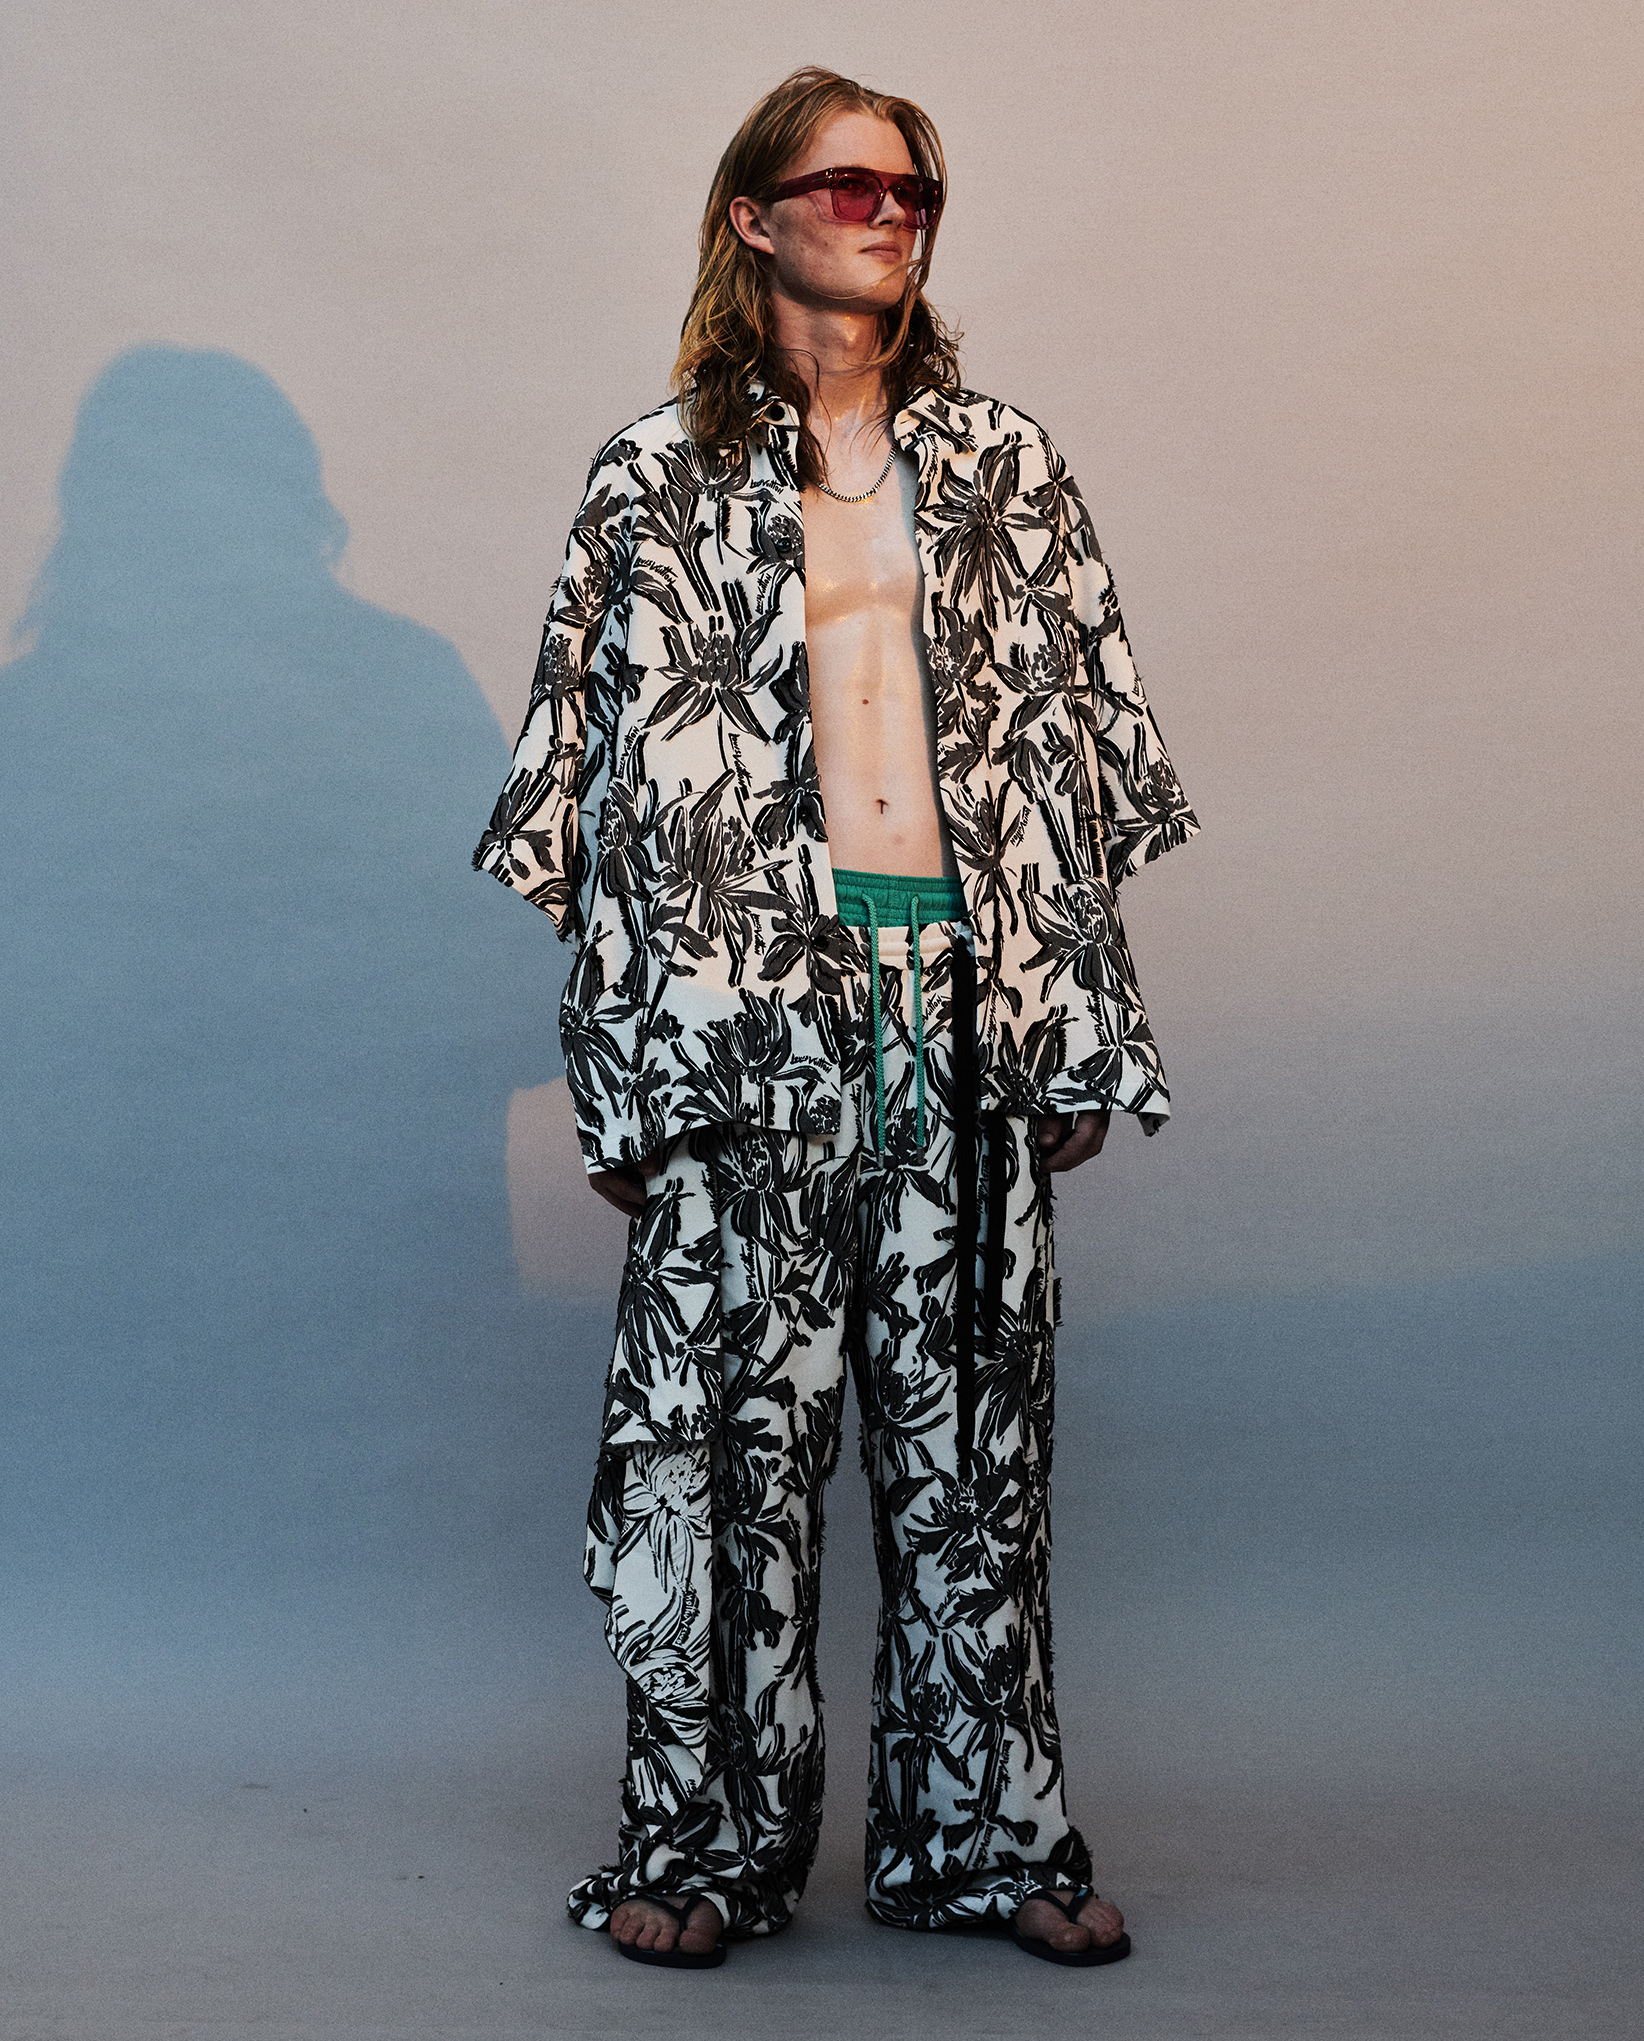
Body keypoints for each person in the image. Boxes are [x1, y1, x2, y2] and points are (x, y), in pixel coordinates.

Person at [474, 65, 1197, 1969]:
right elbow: (608, 811)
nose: (892, 216)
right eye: (853, 185)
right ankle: (706, 1843)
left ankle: (985, 1838)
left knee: (978, 1455)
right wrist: (623, 1084)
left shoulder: (1008, 466)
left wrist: (1072, 1020)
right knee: (728, 1461)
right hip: (739, 1026)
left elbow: (1065, 764)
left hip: (955, 1009)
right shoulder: (649, 480)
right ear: (753, 217)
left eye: (914, 193)